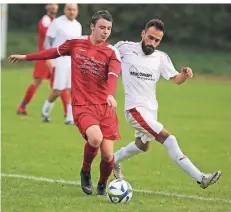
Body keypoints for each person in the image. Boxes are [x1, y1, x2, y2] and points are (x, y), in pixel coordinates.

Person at [8, 10, 121, 195]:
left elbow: (113, 75)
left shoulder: (111, 52)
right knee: (95, 138)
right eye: (102, 27)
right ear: (92, 27)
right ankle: (85, 171)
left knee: (108, 155)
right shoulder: (76, 44)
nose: (105, 31)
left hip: (106, 108)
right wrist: (26, 57)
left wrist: (110, 94)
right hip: (83, 106)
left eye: (108, 28)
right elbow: (53, 52)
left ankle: (102, 184)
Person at [113, 19, 221, 189]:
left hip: (151, 111)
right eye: (150, 37)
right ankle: (201, 178)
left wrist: (185, 74)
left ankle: (113, 159)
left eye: (157, 40)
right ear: (143, 33)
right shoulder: (124, 48)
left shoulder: (161, 58)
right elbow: (105, 56)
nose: (152, 42)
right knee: (169, 139)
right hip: (134, 109)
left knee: (142, 146)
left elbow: (176, 79)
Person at [16, 4, 70, 116]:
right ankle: (22, 106)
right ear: (47, 7)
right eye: (51, 4)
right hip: (45, 57)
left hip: (54, 57)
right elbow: (50, 37)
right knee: (49, 83)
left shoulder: (56, 21)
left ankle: (68, 114)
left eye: (55, 4)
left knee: (60, 85)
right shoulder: (46, 21)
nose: (54, 6)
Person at [42, 3, 82, 124]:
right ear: (65, 10)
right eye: (69, 9)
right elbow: (47, 41)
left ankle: (70, 118)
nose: (71, 12)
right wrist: (48, 58)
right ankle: (45, 112)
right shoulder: (57, 23)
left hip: (72, 61)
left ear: (77, 11)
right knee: (58, 91)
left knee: (72, 89)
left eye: (74, 10)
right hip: (59, 59)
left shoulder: (77, 25)